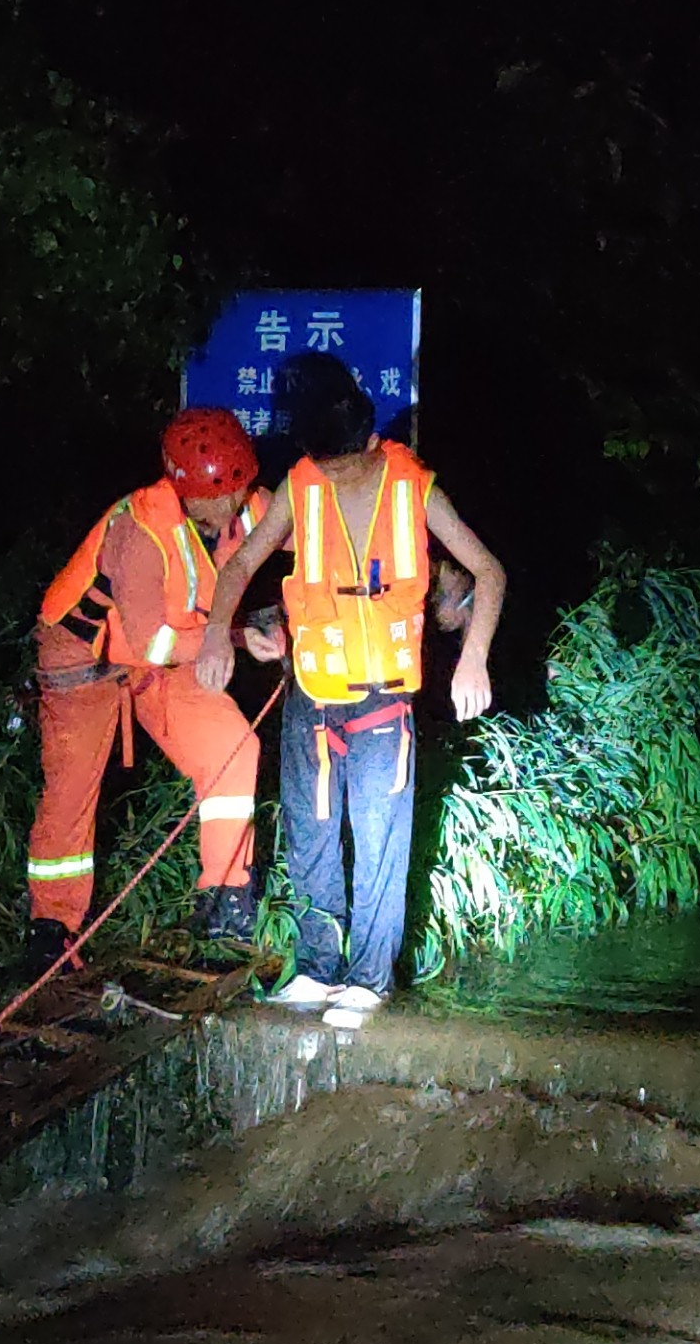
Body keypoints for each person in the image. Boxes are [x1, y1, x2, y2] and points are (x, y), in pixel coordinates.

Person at [194, 357, 507, 1026]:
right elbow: (243, 561)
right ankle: (314, 968)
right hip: (312, 689)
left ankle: (368, 978)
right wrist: (218, 633)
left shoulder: (413, 485)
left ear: (367, 438)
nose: (335, 477)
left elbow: (488, 570)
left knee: (377, 836)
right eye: (325, 466)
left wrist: (472, 660)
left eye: (344, 465)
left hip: (383, 697)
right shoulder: (300, 484)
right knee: (309, 834)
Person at [22, 408, 276, 971]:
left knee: (234, 748)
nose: (240, 500)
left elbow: (301, 529)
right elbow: (150, 642)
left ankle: (226, 898)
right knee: (70, 792)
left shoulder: (247, 505)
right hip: (83, 660)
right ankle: (51, 930)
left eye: (244, 484)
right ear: (189, 492)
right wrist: (229, 638)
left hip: (168, 655)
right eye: (227, 491)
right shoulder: (139, 529)